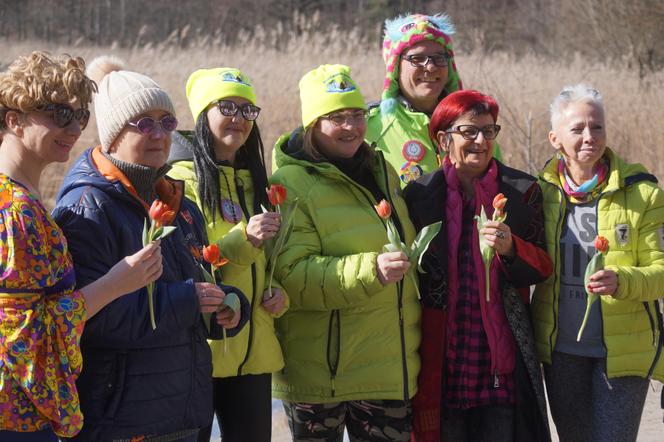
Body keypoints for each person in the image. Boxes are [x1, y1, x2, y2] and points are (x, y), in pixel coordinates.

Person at [51, 56, 249, 441]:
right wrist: (188, 300)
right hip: (123, 421)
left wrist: (225, 303)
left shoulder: (182, 206)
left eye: (167, 122)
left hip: (184, 413)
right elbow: (89, 320)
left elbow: (194, 287)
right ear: (111, 135)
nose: (160, 134)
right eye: (144, 123)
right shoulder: (87, 209)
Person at [0, 51, 163, 441]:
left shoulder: (23, 199)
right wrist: (116, 283)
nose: (73, 127)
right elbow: (22, 334)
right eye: (59, 114)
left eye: (80, 116)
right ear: (14, 120)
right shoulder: (15, 211)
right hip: (16, 412)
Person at [270, 64, 420, 442]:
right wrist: (373, 270)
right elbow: (293, 276)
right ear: (312, 125)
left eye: (357, 114)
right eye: (337, 117)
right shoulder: (290, 183)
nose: (352, 126)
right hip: (323, 379)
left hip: (388, 369)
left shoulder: (380, 169)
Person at [404, 90, 552, 442]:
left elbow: (543, 267)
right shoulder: (418, 196)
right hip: (441, 356)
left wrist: (512, 248)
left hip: (499, 362)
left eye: (489, 131)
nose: (481, 141)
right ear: (443, 138)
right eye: (469, 131)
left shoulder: (521, 191)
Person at [531, 84, 664, 442]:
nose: (589, 137)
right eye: (577, 129)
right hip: (561, 353)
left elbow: (661, 272)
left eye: (597, 127)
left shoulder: (643, 193)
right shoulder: (537, 194)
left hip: (623, 352)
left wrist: (623, 280)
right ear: (555, 138)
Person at [168, 66, 287, 442]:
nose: (239, 118)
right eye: (227, 108)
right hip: (205, 351)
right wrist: (245, 239)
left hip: (255, 352)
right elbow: (190, 257)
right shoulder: (181, 180)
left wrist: (280, 292)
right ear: (204, 114)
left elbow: (271, 263)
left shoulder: (259, 182)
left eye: (247, 110)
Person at [366, 13, 501, 187]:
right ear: (395, 67)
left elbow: (498, 188)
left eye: (439, 58)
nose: (430, 67)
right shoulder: (371, 129)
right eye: (417, 59)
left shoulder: (477, 125)